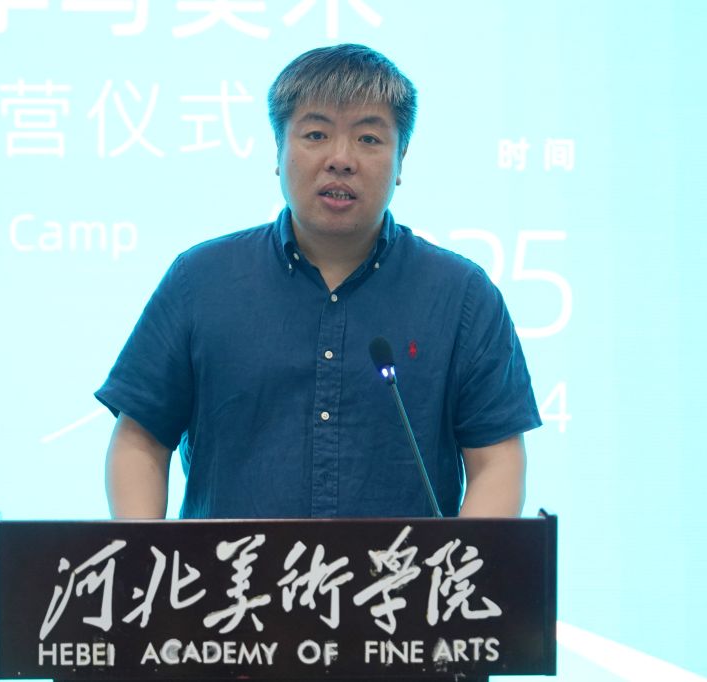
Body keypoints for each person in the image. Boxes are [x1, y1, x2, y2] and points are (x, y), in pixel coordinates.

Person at [96, 44, 541, 521]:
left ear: (401, 159)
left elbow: (496, 462)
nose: (341, 159)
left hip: (401, 572)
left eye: (368, 138)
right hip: (228, 571)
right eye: (316, 134)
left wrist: (460, 565)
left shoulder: (462, 295)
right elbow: (140, 442)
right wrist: (146, 561)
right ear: (279, 150)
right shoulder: (200, 281)